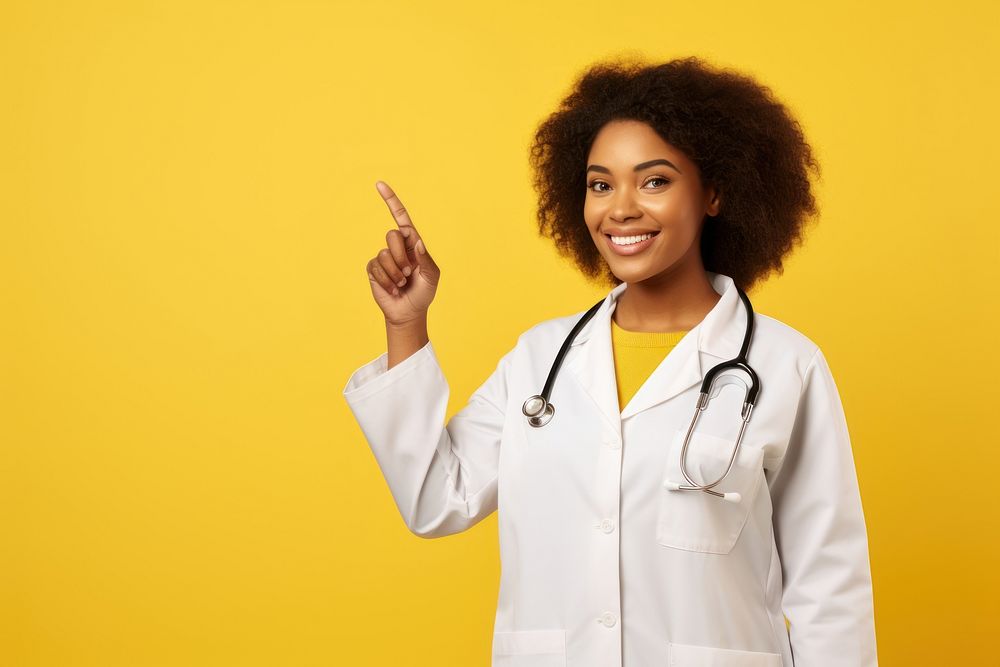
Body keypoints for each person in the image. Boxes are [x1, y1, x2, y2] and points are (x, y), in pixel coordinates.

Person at [343, 56, 877, 666]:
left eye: (654, 181)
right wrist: (406, 324)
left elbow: (829, 592)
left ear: (715, 191)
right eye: (601, 183)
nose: (619, 208)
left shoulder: (785, 366)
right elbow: (436, 498)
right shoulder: (539, 359)